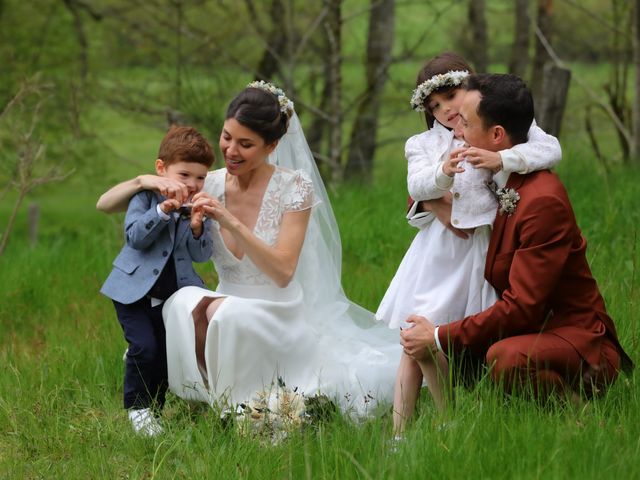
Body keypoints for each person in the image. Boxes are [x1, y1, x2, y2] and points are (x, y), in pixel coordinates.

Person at [97, 82, 401, 417]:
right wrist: (143, 181)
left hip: (276, 309)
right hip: (224, 300)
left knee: (225, 314)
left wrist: (229, 221)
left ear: (271, 145)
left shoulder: (294, 188)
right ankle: (197, 395)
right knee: (181, 301)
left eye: (245, 144)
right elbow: (106, 205)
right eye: (226, 137)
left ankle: (235, 409)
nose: (230, 151)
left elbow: (284, 272)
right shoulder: (205, 181)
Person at [400, 73, 633, 406]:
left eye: (464, 123)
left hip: (571, 335)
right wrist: (428, 199)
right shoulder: (495, 173)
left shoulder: (541, 201)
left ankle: (580, 412)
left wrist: (437, 337)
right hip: (528, 329)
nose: (457, 133)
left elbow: (523, 307)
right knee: (472, 358)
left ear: (497, 135)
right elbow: (423, 190)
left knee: (502, 359)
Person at [376, 52, 563, 437]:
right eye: (434, 105)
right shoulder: (424, 144)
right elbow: (417, 186)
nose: (446, 110)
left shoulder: (495, 124)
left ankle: (464, 417)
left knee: (470, 332)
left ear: (471, 86)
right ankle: (400, 431)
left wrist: (501, 157)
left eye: (451, 96)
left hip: (487, 247)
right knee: (418, 332)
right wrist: (442, 177)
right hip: (440, 254)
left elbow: (550, 150)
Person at [100, 125, 216, 436]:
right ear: (162, 169)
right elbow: (134, 238)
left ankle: (154, 408)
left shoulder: (199, 204)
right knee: (145, 347)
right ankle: (137, 408)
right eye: (184, 175)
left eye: (200, 177)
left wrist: (196, 227)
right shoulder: (146, 197)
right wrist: (163, 211)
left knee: (167, 353)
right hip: (133, 293)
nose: (192, 184)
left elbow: (202, 255)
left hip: (172, 296)